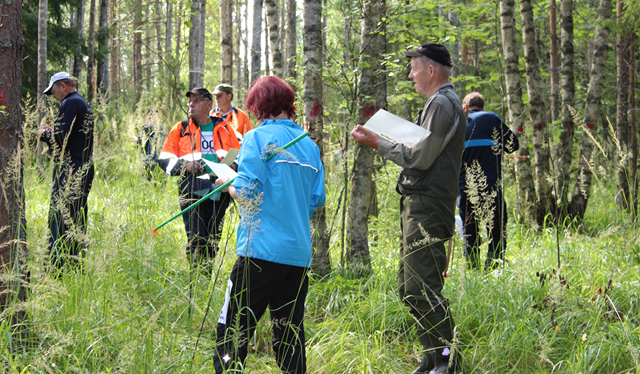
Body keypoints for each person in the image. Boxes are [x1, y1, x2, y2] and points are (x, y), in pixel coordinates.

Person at [351, 43, 465, 374]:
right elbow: (419, 146)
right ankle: (432, 358)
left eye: (414, 68)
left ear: (431, 71)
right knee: (409, 286)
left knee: (422, 286)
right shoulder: (438, 103)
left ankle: (446, 362)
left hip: (428, 205)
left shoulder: (442, 104)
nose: (410, 75)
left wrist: (377, 142)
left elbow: (419, 157)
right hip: (420, 203)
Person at [212, 76, 325, 374]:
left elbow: (247, 194)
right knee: (289, 338)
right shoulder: (309, 146)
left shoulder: (256, 138)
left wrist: (227, 184)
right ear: (288, 106)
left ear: (260, 107)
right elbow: (316, 199)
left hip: (259, 252)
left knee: (232, 332)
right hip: (297, 256)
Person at [157, 87, 241, 268]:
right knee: (196, 239)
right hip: (191, 189)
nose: (191, 105)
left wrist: (234, 165)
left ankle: (205, 279)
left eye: (196, 101)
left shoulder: (225, 127)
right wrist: (184, 166)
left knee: (212, 240)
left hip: (219, 189)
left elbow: (238, 155)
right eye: (190, 102)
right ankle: (195, 282)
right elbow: (164, 159)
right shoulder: (181, 128)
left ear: (208, 105)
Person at [38, 71, 94, 272]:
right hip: (82, 165)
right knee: (75, 216)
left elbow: (60, 137)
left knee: (60, 216)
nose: (54, 96)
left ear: (63, 86)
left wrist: (44, 134)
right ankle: (75, 265)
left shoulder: (70, 102)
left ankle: (56, 269)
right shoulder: (81, 102)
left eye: (53, 91)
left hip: (70, 168)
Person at [458, 92, 519, 270]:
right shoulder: (492, 118)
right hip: (491, 185)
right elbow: (513, 144)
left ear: (465, 107)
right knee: (497, 228)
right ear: (482, 106)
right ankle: (494, 267)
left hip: (465, 187)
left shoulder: (459, 122)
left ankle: (471, 267)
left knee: (469, 231)